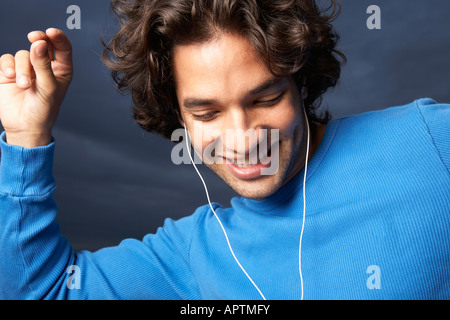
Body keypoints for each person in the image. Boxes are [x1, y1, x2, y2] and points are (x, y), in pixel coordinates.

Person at [0, 0, 448, 300]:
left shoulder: (428, 141)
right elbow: (41, 291)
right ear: (176, 114)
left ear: (301, 80)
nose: (243, 138)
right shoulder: (190, 255)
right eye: (207, 113)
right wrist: (26, 138)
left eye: (265, 99)